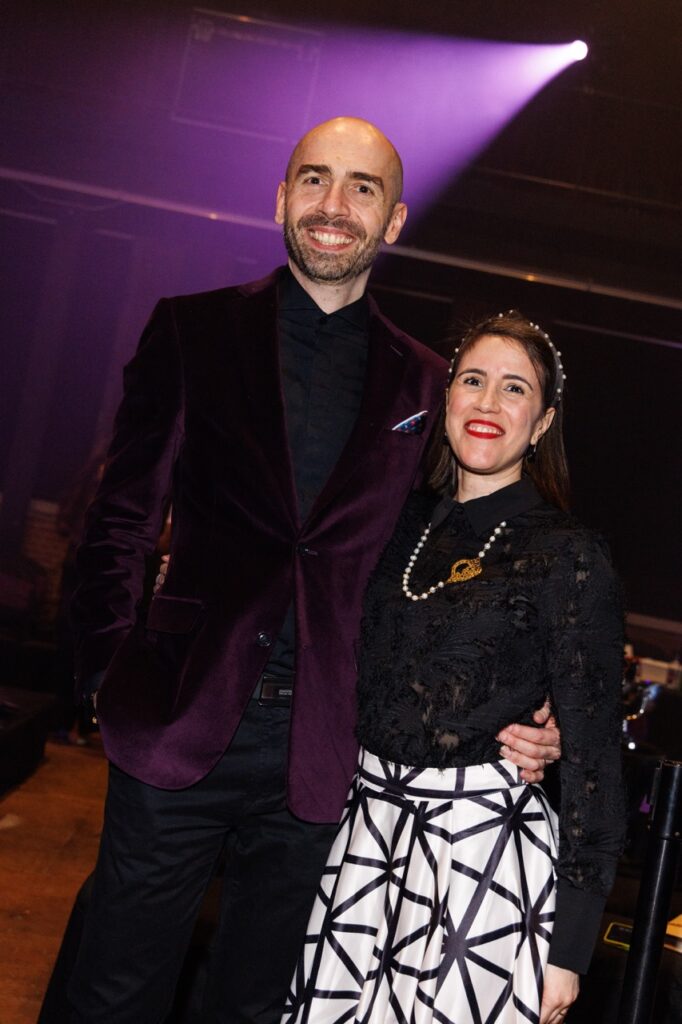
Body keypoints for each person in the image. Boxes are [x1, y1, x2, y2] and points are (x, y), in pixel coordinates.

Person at [66, 119, 561, 1023]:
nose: (335, 206)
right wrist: (108, 674)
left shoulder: (426, 384)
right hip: (178, 716)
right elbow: (119, 520)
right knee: (114, 989)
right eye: (315, 181)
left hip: (331, 749)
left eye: (362, 188)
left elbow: (457, 566)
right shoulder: (192, 329)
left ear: (396, 220)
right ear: (281, 197)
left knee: (258, 1005)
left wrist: (532, 697)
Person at [281, 311, 625, 1024]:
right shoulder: (395, 522)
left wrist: (570, 948)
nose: (488, 404)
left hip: (484, 862)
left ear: (543, 421)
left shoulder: (569, 554)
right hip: (361, 841)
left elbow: (596, 764)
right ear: (445, 401)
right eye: (472, 380)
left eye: (514, 389)